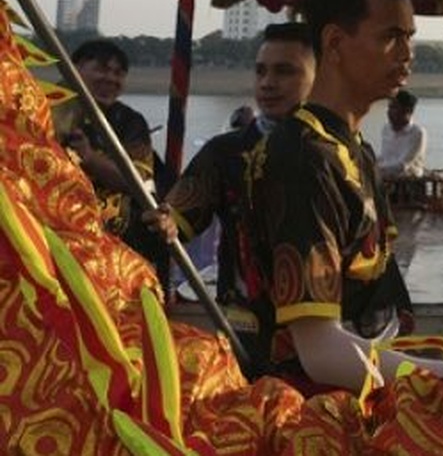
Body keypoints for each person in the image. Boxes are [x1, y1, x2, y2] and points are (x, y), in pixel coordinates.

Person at [247, 0, 443, 392]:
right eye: (392, 38)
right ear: (335, 43)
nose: (408, 55)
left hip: (370, 383)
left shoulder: (354, 148)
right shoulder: (304, 157)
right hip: (315, 408)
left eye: (410, 38)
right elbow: (321, 352)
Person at [141, 22, 315, 377]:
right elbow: (180, 215)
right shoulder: (225, 152)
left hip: (324, 325)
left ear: (321, 76)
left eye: (285, 71)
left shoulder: (336, 153)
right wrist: (166, 222)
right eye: (261, 71)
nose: (267, 83)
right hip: (247, 324)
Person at [54, 38, 171, 283]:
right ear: (73, 68)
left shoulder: (130, 121)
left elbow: (139, 181)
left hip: (116, 249)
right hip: (55, 238)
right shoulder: (46, 106)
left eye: (118, 73)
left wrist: (89, 158)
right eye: (102, 69)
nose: (111, 79)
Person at [377, 89, 427, 180]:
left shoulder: (417, 132)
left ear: (408, 111)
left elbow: (404, 165)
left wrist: (377, 170)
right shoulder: (386, 129)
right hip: (386, 178)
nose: (389, 112)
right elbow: (384, 157)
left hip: (409, 182)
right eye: (389, 107)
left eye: (394, 108)